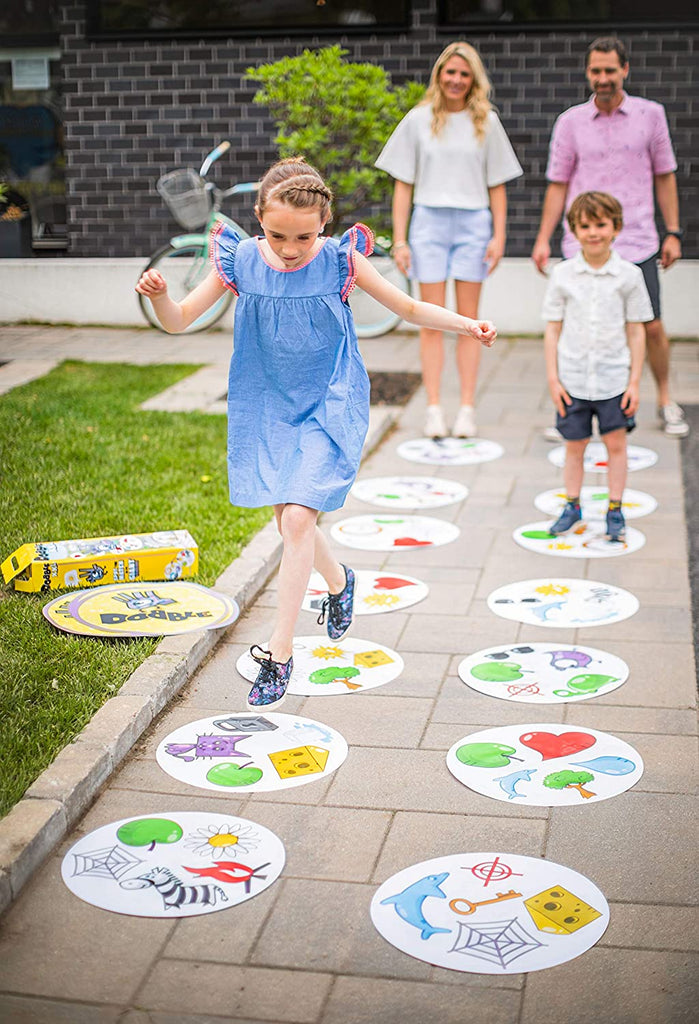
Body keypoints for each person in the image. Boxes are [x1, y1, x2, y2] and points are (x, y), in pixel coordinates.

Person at [136, 158, 496, 708]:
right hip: (267, 404)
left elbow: (407, 305)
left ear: (323, 226)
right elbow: (179, 318)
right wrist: (161, 294)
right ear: (259, 219)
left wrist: (466, 324)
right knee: (288, 518)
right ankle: (339, 582)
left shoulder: (338, 261)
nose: (288, 248)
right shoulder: (237, 260)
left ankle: (280, 654)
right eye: (278, 235)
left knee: (300, 517)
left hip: (330, 399)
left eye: (303, 237)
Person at [532, 35, 688, 439]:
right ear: (588, 73)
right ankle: (570, 406)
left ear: (625, 70)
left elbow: (665, 176)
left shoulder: (652, 116)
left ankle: (666, 400)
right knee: (576, 326)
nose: (603, 78)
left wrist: (673, 232)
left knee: (650, 325)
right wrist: (543, 238)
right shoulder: (570, 122)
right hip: (581, 244)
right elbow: (557, 184)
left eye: (610, 70)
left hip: (637, 240)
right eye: (596, 70)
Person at [375, 41, 521, 439]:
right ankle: (435, 409)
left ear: (473, 78)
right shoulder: (418, 120)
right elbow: (403, 186)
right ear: (439, 74)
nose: (456, 80)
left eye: (464, 73)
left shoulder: (486, 121)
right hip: (429, 225)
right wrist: (401, 241)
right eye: (449, 72)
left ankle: (468, 409)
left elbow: (498, 187)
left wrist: (498, 236)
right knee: (431, 321)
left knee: (471, 322)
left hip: (474, 224)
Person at [543, 192, 652, 543]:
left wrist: (634, 382)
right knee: (574, 446)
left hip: (613, 379)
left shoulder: (630, 276)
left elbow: (636, 330)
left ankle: (615, 509)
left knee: (615, 446)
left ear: (616, 227)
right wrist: (553, 378)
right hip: (572, 379)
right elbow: (552, 328)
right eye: (585, 225)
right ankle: (572, 506)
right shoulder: (562, 275)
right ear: (574, 230)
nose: (593, 233)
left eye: (601, 224)